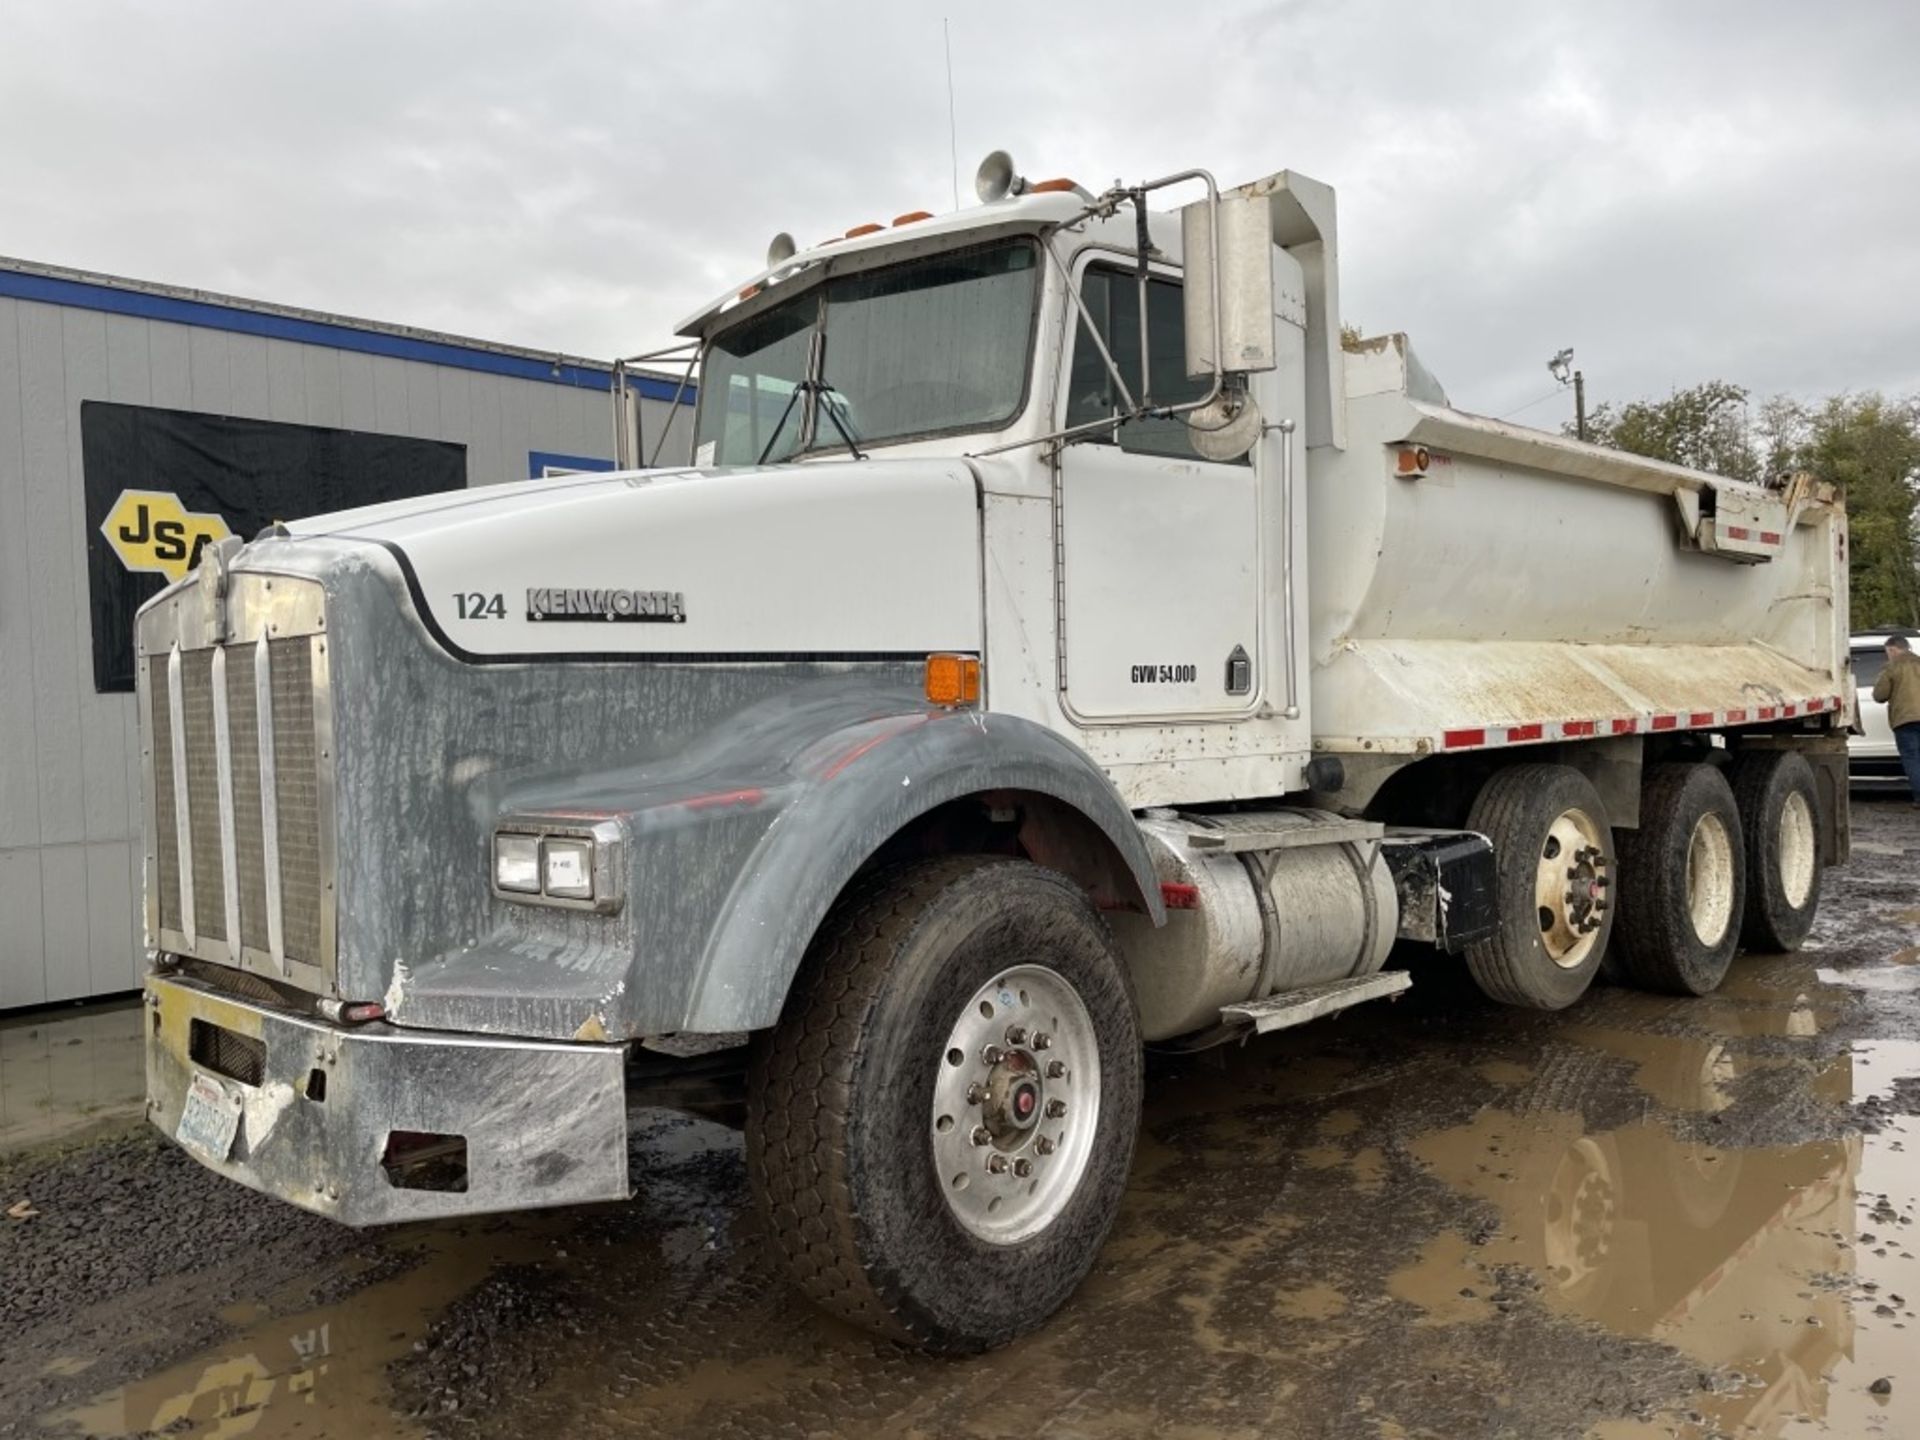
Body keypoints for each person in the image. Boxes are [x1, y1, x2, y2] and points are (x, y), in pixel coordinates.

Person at [1874, 633, 1920, 807]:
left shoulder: (1892, 667)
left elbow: (1879, 695)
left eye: (1888, 652)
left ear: (1893, 649)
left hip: (1905, 720)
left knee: (1912, 758)